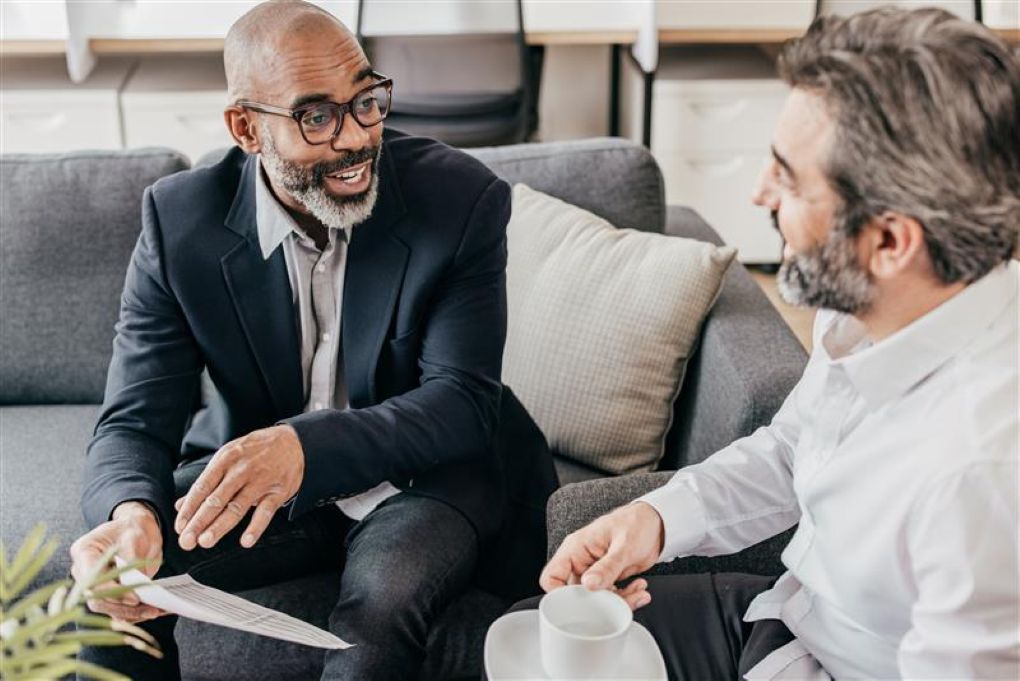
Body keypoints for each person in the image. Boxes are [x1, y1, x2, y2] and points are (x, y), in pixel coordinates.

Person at [525, 7, 1019, 680]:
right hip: (786, 620)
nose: (759, 193)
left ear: (889, 241)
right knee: (524, 641)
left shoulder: (981, 475)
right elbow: (793, 449)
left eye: (786, 177)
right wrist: (653, 519)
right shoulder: (874, 314)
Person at [68, 1, 553, 679]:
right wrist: (132, 513)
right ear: (246, 128)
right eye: (316, 115)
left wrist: (303, 448)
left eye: (366, 101)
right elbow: (134, 418)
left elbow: (462, 403)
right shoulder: (180, 223)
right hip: (263, 485)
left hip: (420, 479)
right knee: (108, 590)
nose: (356, 137)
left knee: (379, 610)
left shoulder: (460, 199)